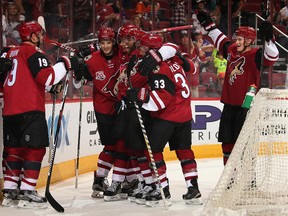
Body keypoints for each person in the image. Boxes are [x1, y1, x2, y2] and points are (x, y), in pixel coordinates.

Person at [0, 21, 79, 208]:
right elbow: (48, 77)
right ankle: (27, 190)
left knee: (13, 149)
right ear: (33, 36)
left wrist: (51, 87)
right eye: (39, 34)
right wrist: (65, 62)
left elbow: (27, 78)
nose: (42, 38)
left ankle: (10, 192)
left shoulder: (7, 53)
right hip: (30, 109)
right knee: (35, 149)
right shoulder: (33, 53)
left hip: (9, 110)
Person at [126, 33, 203, 207]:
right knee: (184, 151)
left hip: (167, 115)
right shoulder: (175, 58)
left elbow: (162, 99)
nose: (141, 49)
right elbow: (193, 68)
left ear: (152, 49)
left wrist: (139, 95)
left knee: (152, 152)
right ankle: (193, 188)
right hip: (184, 114)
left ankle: (163, 189)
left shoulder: (159, 67)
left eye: (144, 47)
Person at [197, 11, 279, 165]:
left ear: (249, 41)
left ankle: (248, 179)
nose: (237, 41)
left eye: (240, 39)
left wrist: (269, 39)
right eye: (236, 38)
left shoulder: (256, 54)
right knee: (227, 144)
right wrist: (209, 26)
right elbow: (221, 40)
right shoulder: (232, 50)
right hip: (229, 106)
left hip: (246, 108)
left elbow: (272, 57)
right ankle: (229, 180)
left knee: (246, 145)